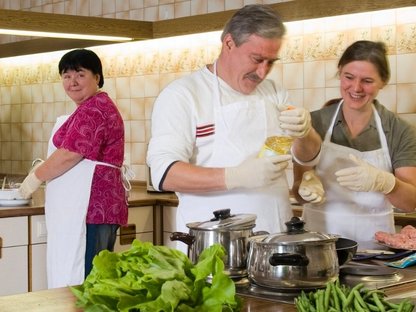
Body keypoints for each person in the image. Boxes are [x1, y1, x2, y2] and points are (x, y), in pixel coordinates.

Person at [146, 4, 321, 252]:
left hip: (273, 244)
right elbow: (164, 174)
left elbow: (299, 154)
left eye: (271, 62)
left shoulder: (273, 93)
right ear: (229, 43)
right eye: (257, 59)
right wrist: (235, 176)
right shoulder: (183, 95)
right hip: (212, 247)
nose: (262, 72)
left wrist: (306, 133)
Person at [18, 49, 129, 288]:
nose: (72, 82)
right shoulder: (88, 108)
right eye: (66, 76)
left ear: (97, 77)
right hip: (91, 208)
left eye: (80, 74)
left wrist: (35, 178)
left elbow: (70, 154)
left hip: (91, 209)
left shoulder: (95, 109)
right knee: (93, 281)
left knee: (88, 283)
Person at [292, 40, 416, 249]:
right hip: (318, 246)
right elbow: (297, 191)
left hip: (376, 253)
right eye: (349, 77)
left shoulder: (398, 130)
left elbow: (410, 202)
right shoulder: (314, 124)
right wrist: (303, 188)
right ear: (340, 72)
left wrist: (386, 183)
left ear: (383, 82)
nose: (356, 88)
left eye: (367, 80)